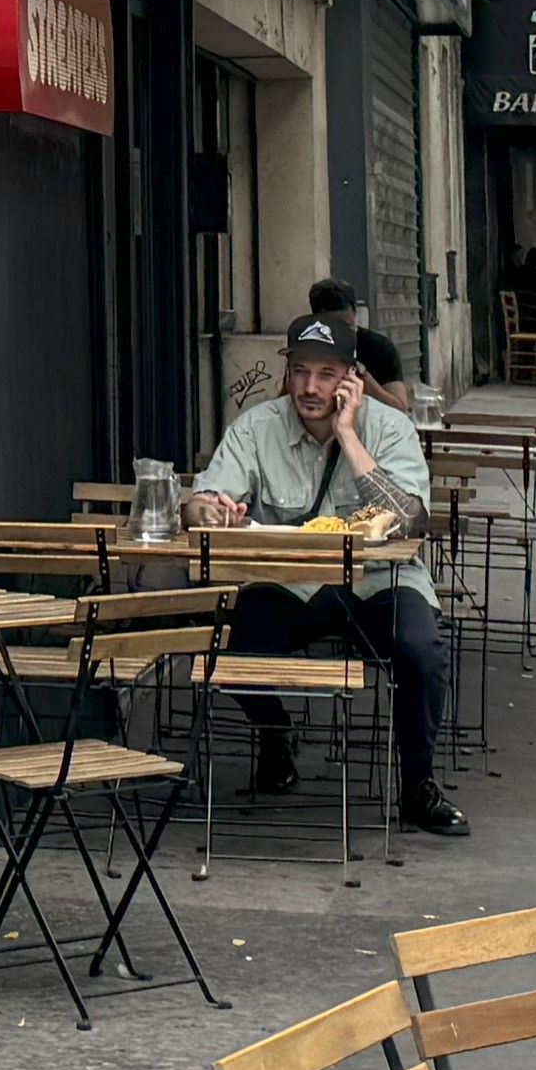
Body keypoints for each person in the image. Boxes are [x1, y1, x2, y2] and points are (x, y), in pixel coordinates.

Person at [194, 315, 468, 837]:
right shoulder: (257, 427)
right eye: (300, 372)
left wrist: (348, 436)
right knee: (226, 637)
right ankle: (274, 732)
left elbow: (410, 518)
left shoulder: (390, 430)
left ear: (351, 378)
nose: (311, 387)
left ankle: (418, 784)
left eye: (326, 373)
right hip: (294, 582)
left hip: (380, 580)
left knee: (422, 649)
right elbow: (202, 501)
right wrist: (209, 511)